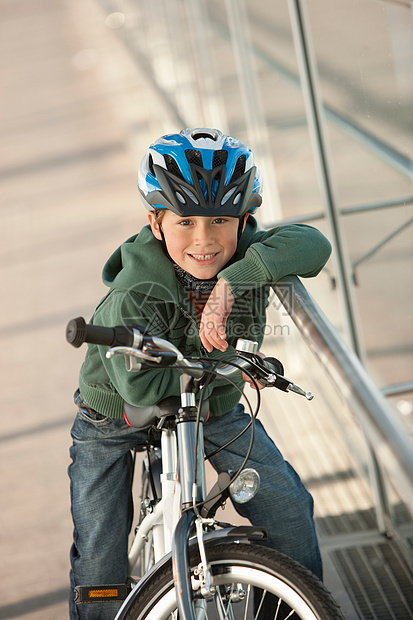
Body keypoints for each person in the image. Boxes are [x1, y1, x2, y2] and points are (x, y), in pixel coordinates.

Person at [68, 127, 332, 619]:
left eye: (220, 221)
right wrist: (230, 371)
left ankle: (294, 607)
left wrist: (237, 280)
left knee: (288, 506)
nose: (204, 240)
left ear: (244, 219)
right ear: (155, 221)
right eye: (184, 221)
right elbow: (140, 386)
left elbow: (313, 244)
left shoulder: (241, 250)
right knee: (100, 552)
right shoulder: (137, 288)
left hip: (211, 405)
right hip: (117, 416)